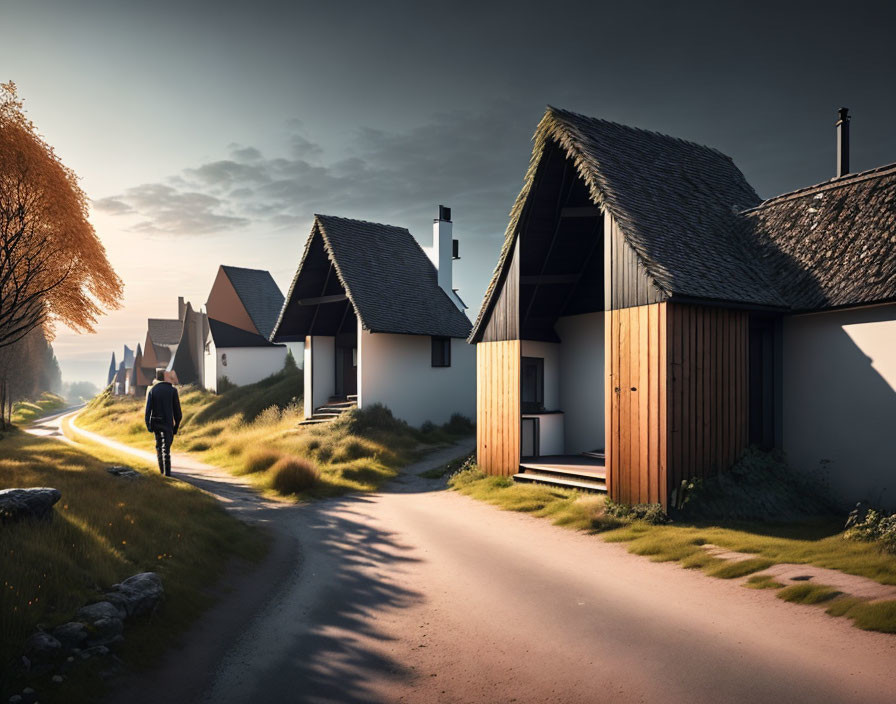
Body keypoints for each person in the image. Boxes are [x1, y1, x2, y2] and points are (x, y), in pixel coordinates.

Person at [144, 369, 182, 476]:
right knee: (167, 449)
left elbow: (148, 410)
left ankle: (161, 471)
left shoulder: (153, 390)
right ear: (165, 377)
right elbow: (178, 413)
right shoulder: (172, 391)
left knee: (159, 446)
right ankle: (167, 473)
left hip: (156, 421)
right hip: (168, 422)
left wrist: (148, 425)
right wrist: (176, 427)